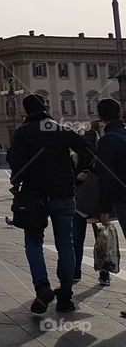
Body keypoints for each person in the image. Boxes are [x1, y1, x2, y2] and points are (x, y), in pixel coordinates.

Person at [8, 93, 92, 314]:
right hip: (64, 194)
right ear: (45, 108)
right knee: (66, 244)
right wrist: (80, 169)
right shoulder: (62, 129)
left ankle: (42, 287)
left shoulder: (23, 132)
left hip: (35, 196)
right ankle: (65, 297)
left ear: (25, 112)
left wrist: (17, 180)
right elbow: (86, 149)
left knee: (33, 243)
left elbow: (16, 163)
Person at [71, 119, 108, 285]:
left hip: (79, 202)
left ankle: (75, 271)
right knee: (101, 239)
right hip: (99, 202)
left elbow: (68, 179)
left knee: (77, 239)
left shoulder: (76, 157)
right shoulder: (103, 155)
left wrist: (77, 179)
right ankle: (104, 274)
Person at [97, 98, 126, 231]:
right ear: (121, 114)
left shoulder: (107, 141)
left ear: (100, 118)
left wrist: (105, 209)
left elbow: (106, 176)